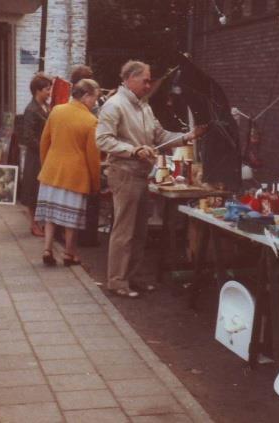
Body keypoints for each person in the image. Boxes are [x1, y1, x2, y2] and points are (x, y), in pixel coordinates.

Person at [96, 60, 206, 298]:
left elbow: (160, 135)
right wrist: (134, 150)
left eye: (149, 80)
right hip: (124, 172)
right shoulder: (114, 106)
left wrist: (188, 136)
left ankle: (131, 276)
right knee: (124, 230)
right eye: (145, 80)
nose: (149, 85)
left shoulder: (143, 106)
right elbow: (103, 140)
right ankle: (116, 281)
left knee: (139, 231)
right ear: (130, 79)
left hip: (141, 174)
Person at [35, 79, 101, 266]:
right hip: (76, 176)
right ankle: (68, 253)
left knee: (50, 215)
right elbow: (93, 157)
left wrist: (45, 165)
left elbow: (44, 142)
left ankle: (47, 248)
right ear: (86, 95)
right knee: (71, 218)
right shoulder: (91, 121)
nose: (94, 103)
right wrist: (95, 183)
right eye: (94, 98)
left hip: (51, 171)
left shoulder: (56, 111)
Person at [20, 73, 52, 237]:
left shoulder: (47, 107)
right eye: (47, 89)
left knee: (43, 190)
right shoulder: (31, 110)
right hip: (36, 157)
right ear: (38, 91)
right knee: (34, 190)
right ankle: (33, 224)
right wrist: (44, 148)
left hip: (46, 156)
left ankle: (43, 223)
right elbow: (28, 137)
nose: (49, 92)